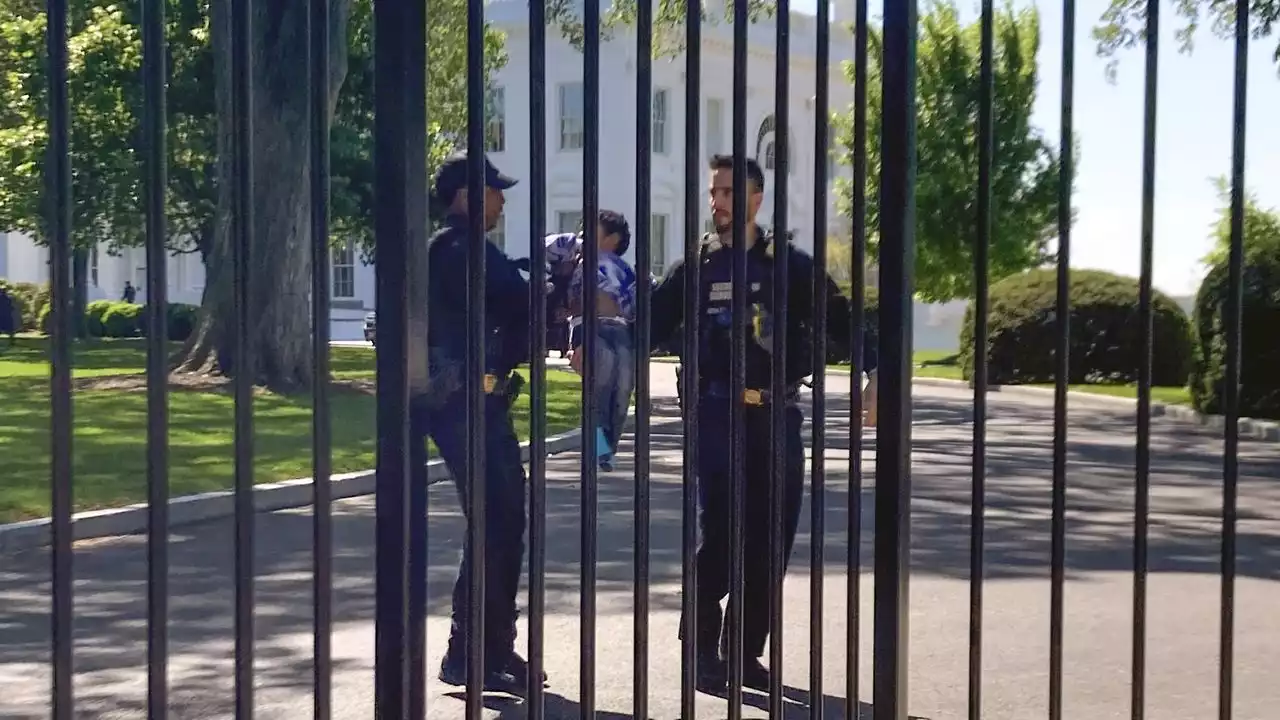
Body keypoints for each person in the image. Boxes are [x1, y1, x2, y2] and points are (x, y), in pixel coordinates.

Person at [649, 154, 879, 693]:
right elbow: (651, 322)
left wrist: (877, 374)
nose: (718, 202)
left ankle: (743, 654)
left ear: (756, 197)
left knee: (771, 540)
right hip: (715, 413)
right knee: (723, 537)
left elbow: (842, 320)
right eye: (713, 192)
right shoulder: (697, 267)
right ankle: (700, 649)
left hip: (777, 414)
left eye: (728, 192)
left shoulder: (790, 265)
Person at [417, 150, 545, 692]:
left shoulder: (457, 250)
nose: (502, 200)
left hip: (475, 402)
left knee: (499, 523)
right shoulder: (461, 249)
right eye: (495, 190)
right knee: (498, 522)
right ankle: (474, 652)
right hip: (466, 403)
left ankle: (482, 649)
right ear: (468, 196)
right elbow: (523, 300)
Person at [566, 210, 639, 471]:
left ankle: (608, 445)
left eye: (591, 231)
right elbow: (573, 305)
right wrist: (577, 342)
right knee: (602, 380)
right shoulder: (581, 265)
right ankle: (598, 448)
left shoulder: (624, 271)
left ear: (613, 238)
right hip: (591, 329)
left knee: (622, 388)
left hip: (620, 331)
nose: (583, 236)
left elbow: (633, 308)